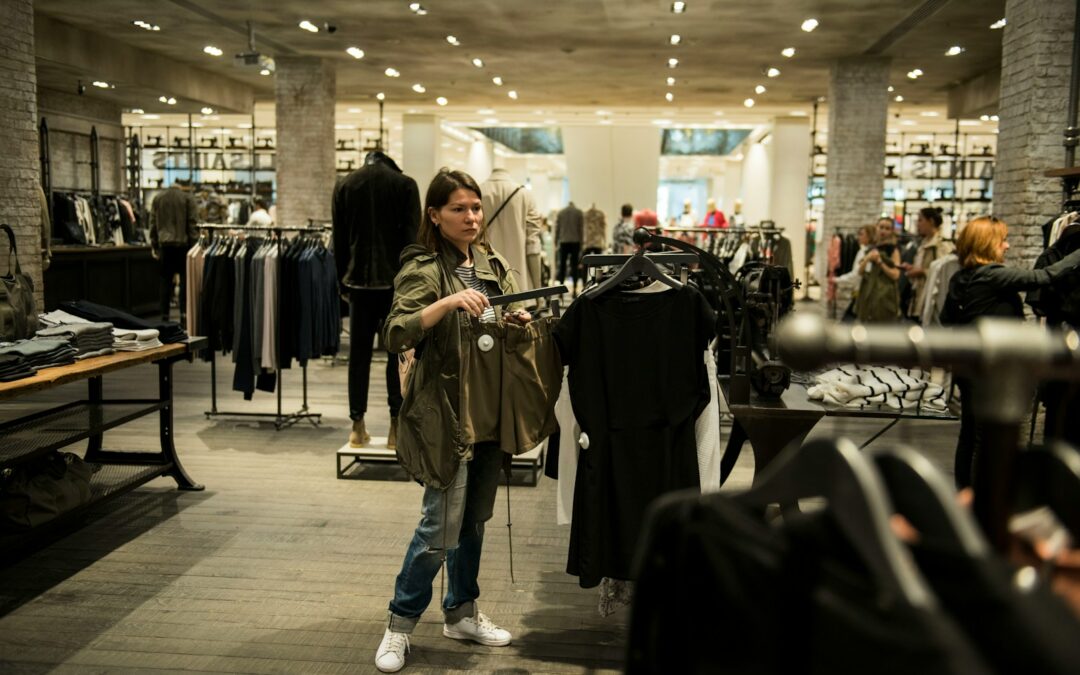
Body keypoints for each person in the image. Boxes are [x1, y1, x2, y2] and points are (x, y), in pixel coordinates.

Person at [375, 169, 530, 673]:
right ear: (435, 215)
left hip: (488, 410)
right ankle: (399, 626)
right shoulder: (423, 267)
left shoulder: (492, 263)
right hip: (446, 413)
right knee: (437, 528)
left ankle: (461, 612)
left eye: (476, 208)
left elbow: (498, 326)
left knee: (474, 523)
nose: (471, 217)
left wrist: (515, 321)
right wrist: (446, 302)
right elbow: (396, 332)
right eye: (459, 209)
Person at [941, 216, 1080, 489]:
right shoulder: (993, 275)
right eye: (1002, 240)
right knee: (984, 437)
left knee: (969, 433)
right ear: (986, 244)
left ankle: (965, 493)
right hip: (988, 368)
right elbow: (1044, 276)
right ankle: (982, 501)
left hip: (967, 367)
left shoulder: (960, 278)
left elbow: (946, 319)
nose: (1007, 246)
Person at [333, 150, 421, 449]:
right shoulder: (405, 185)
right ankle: (396, 427)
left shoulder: (345, 185)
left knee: (358, 358)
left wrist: (341, 281)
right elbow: (412, 240)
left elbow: (340, 239)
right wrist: (414, 284)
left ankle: (357, 427)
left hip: (357, 283)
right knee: (396, 354)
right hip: (395, 285)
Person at [149, 182, 198, 322]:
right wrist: (195, 246)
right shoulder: (187, 198)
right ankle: (184, 313)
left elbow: (152, 223)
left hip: (165, 245)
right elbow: (192, 223)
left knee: (165, 280)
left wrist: (154, 244)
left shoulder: (158, 198)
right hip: (183, 245)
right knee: (184, 281)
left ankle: (164, 314)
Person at [902, 207, 952, 322]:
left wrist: (921, 271)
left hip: (931, 298)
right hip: (919, 296)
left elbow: (944, 273)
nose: (917, 224)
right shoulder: (924, 243)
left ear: (931, 222)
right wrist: (913, 269)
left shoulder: (942, 245)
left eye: (920, 220)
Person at [854, 219, 902, 322]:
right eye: (881, 227)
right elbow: (860, 271)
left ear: (892, 231)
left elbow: (896, 275)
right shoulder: (872, 248)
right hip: (868, 293)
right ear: (876, 227)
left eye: (887, 228)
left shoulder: (893, 250)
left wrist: (880, 262)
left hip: (884, 296)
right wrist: (868, 258)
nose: (883, 231)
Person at [835, 223, 876, 321]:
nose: (858, 237)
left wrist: (838, 279)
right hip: (859, 292)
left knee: (848, 321)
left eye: (861, 234)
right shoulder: (863, 251)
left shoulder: (868, 253)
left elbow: (857, 274)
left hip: (863, 293)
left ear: (869, 236)